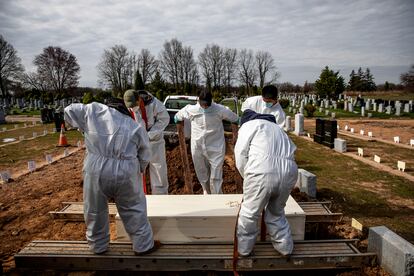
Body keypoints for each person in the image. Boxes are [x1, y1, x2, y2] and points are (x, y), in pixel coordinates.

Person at [64, 98, 157, 255]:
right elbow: (145, 154)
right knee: (133, 208)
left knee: (94, 208)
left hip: (96, 167)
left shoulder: (93, 110)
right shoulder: (134, 126)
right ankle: (143, 246)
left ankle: (98, 246)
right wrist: (138, 170)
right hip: (126, 169)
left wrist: (81, 127)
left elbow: (69, 111)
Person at [234, 109, 298, 257]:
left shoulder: (249, 126)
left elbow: (240, 154)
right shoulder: (279, 130)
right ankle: (285, 248)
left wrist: (247, 176)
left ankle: (244, 250)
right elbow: (292, 153)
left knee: (250, 212)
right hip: (289, 172)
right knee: (276, 212)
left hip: (261, 170)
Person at [174, 90, 239, 194]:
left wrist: (236, 132)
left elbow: (235, 119)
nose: (205, 107)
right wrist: (178, 122)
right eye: (203, 105)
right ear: (198, 101)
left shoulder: (219, 109)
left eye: (207, 105)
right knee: (201, 172)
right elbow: (177, 116)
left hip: (216, 147)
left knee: (216, 176)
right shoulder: (191, 109)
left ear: (211, 101)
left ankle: (216, 196)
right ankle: (206, 192)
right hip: (198, 146)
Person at [124, 89, 170, 195]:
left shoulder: (153, 103)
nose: (133, 108)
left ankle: (160, 197)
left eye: (134, 105)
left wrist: (150, 134)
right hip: (137, 144)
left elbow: (164, 119)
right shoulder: (127, 107)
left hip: (154, 142)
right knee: (136, 171)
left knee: (158, 171)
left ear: (139, 100)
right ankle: (138, 198)